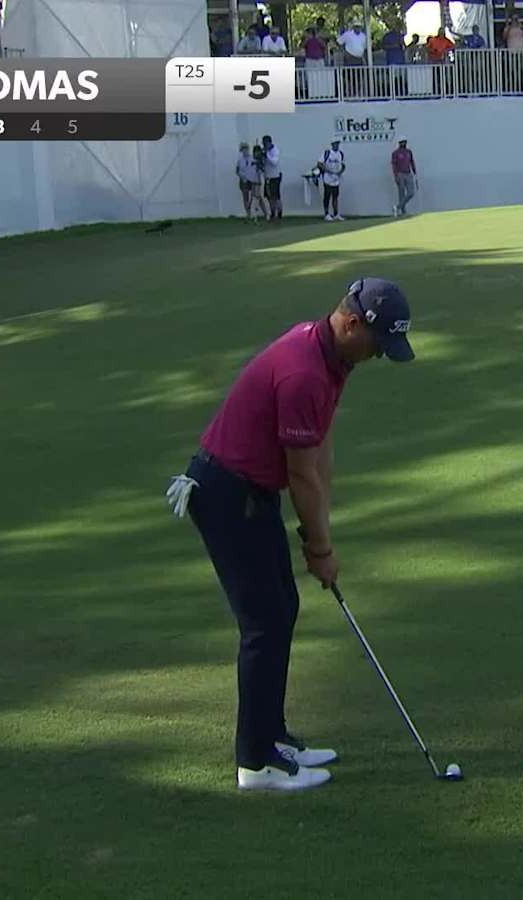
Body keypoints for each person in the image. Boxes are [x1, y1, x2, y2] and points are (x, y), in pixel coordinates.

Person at [170, 278, 416, 792]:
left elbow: (320, 452)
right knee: (263, 622)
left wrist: (319, 530)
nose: (376, 356)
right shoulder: (305, 371)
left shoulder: (334, 359)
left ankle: (272, 736)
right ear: (352, 323)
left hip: (251, 495)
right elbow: (300, 473)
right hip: (224, 496)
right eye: (376, 343)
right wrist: (320, 547)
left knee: (281, 609)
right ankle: (254, 763)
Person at [318, 139, 346, 221]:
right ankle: (326, 214)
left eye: (338, 144)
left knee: (335, 197)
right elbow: (319, 163)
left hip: (336, 179)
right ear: (332, 144)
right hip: (327, 178)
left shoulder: (341, 154)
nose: (336, 145)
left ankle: (336, 213)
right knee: (327, 196)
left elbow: (343, 165)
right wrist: (328, 171)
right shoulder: (327, 153)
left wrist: (340, 172)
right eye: (335, 144)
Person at [236, 141, 264, 221]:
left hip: (252, 180)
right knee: (245, 197)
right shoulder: (240, 160)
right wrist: (241, 176)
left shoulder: (252, 158)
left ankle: (257, 213)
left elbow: (256, 168)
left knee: (255, 196)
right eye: (243, 149)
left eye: (246, 149)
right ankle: (248, 214)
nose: (245, 151)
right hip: (243, 180)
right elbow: (237, 171)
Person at [390, 136, 417, 216]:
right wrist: (395, 176)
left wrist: (414, 172)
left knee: (411, 192)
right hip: (400, 174)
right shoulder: (395, 153)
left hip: (408, 173)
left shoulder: (409, 152)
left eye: (405, 142)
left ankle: (397, 207)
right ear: (399, 143)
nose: (404, 143)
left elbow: (412, 162)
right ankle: (403, 211)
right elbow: (394, 165)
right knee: (401, 193)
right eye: (402, 142)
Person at [262, 135, 283, 219]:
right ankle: (272, 212)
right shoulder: (264, 151)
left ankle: (280, 213)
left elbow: (274, 162)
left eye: (266, 143)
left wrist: (267, 155)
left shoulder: (275, 150)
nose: (265, 145)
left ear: (270, 142)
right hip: (267, 176)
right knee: (269, 196)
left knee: (276, 196)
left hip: (275, 176)